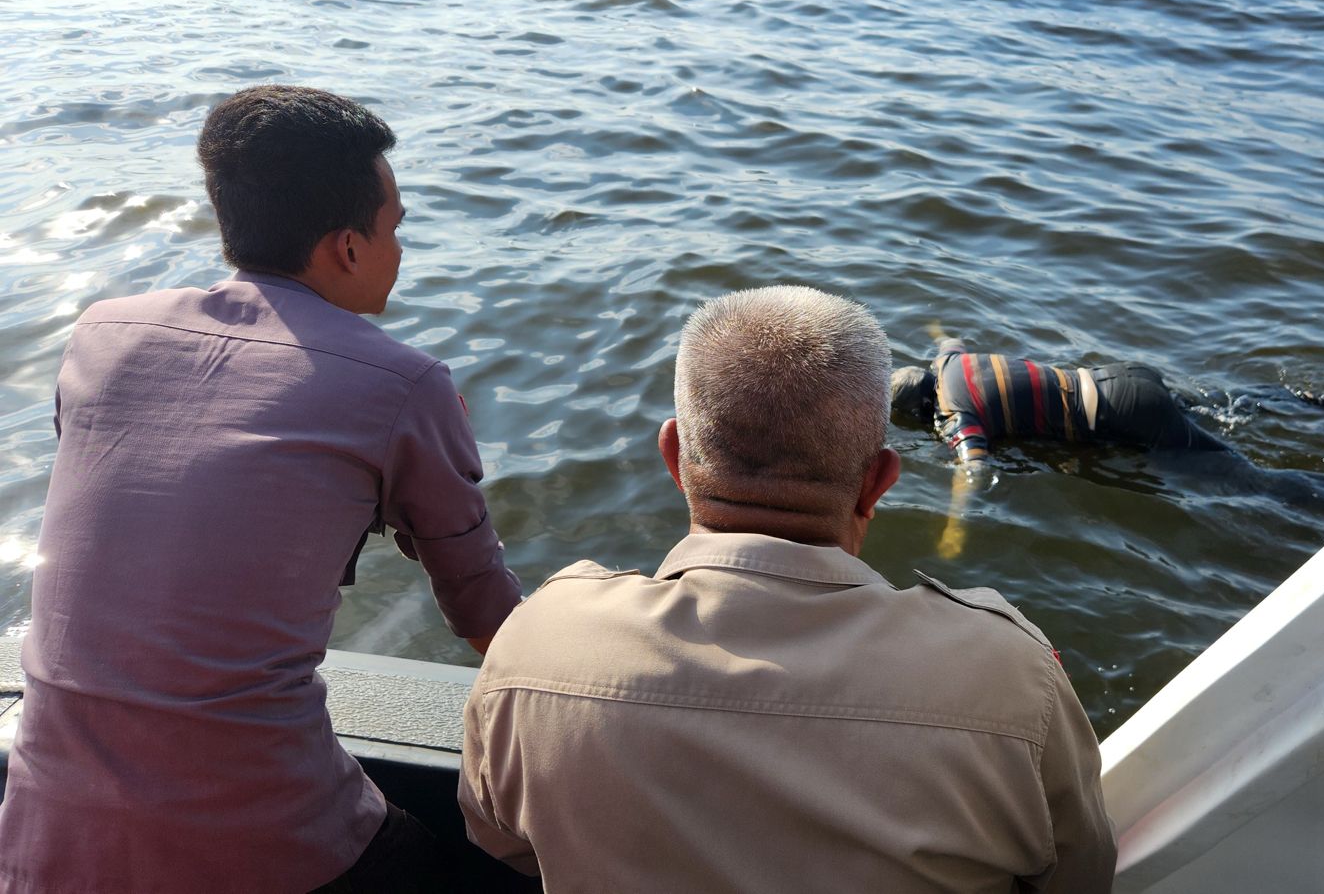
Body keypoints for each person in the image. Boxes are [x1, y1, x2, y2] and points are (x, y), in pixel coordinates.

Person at [0, 86, 523, 893]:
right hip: (267, 844)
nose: (399, 249)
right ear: (348, 247)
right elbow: (490, 622)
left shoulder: (101, 332)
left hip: (46, 837)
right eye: (397, 229)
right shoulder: (403, 384)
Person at [458, 287, 1117, 893]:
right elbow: (1078, 875)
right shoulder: (1009, 682)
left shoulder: (537, 650)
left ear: (674, 458)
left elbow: (499, 840)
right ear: (878, 481)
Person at [892, 337, 1324, 557]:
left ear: (920, 410)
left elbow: (976, 473)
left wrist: (954, 526)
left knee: (1242, 477)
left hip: (1122, 417)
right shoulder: (950, 365)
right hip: (1123, 377)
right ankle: (1304, 403)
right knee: (1218, 406)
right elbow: (949, 338)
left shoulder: (957, 417)